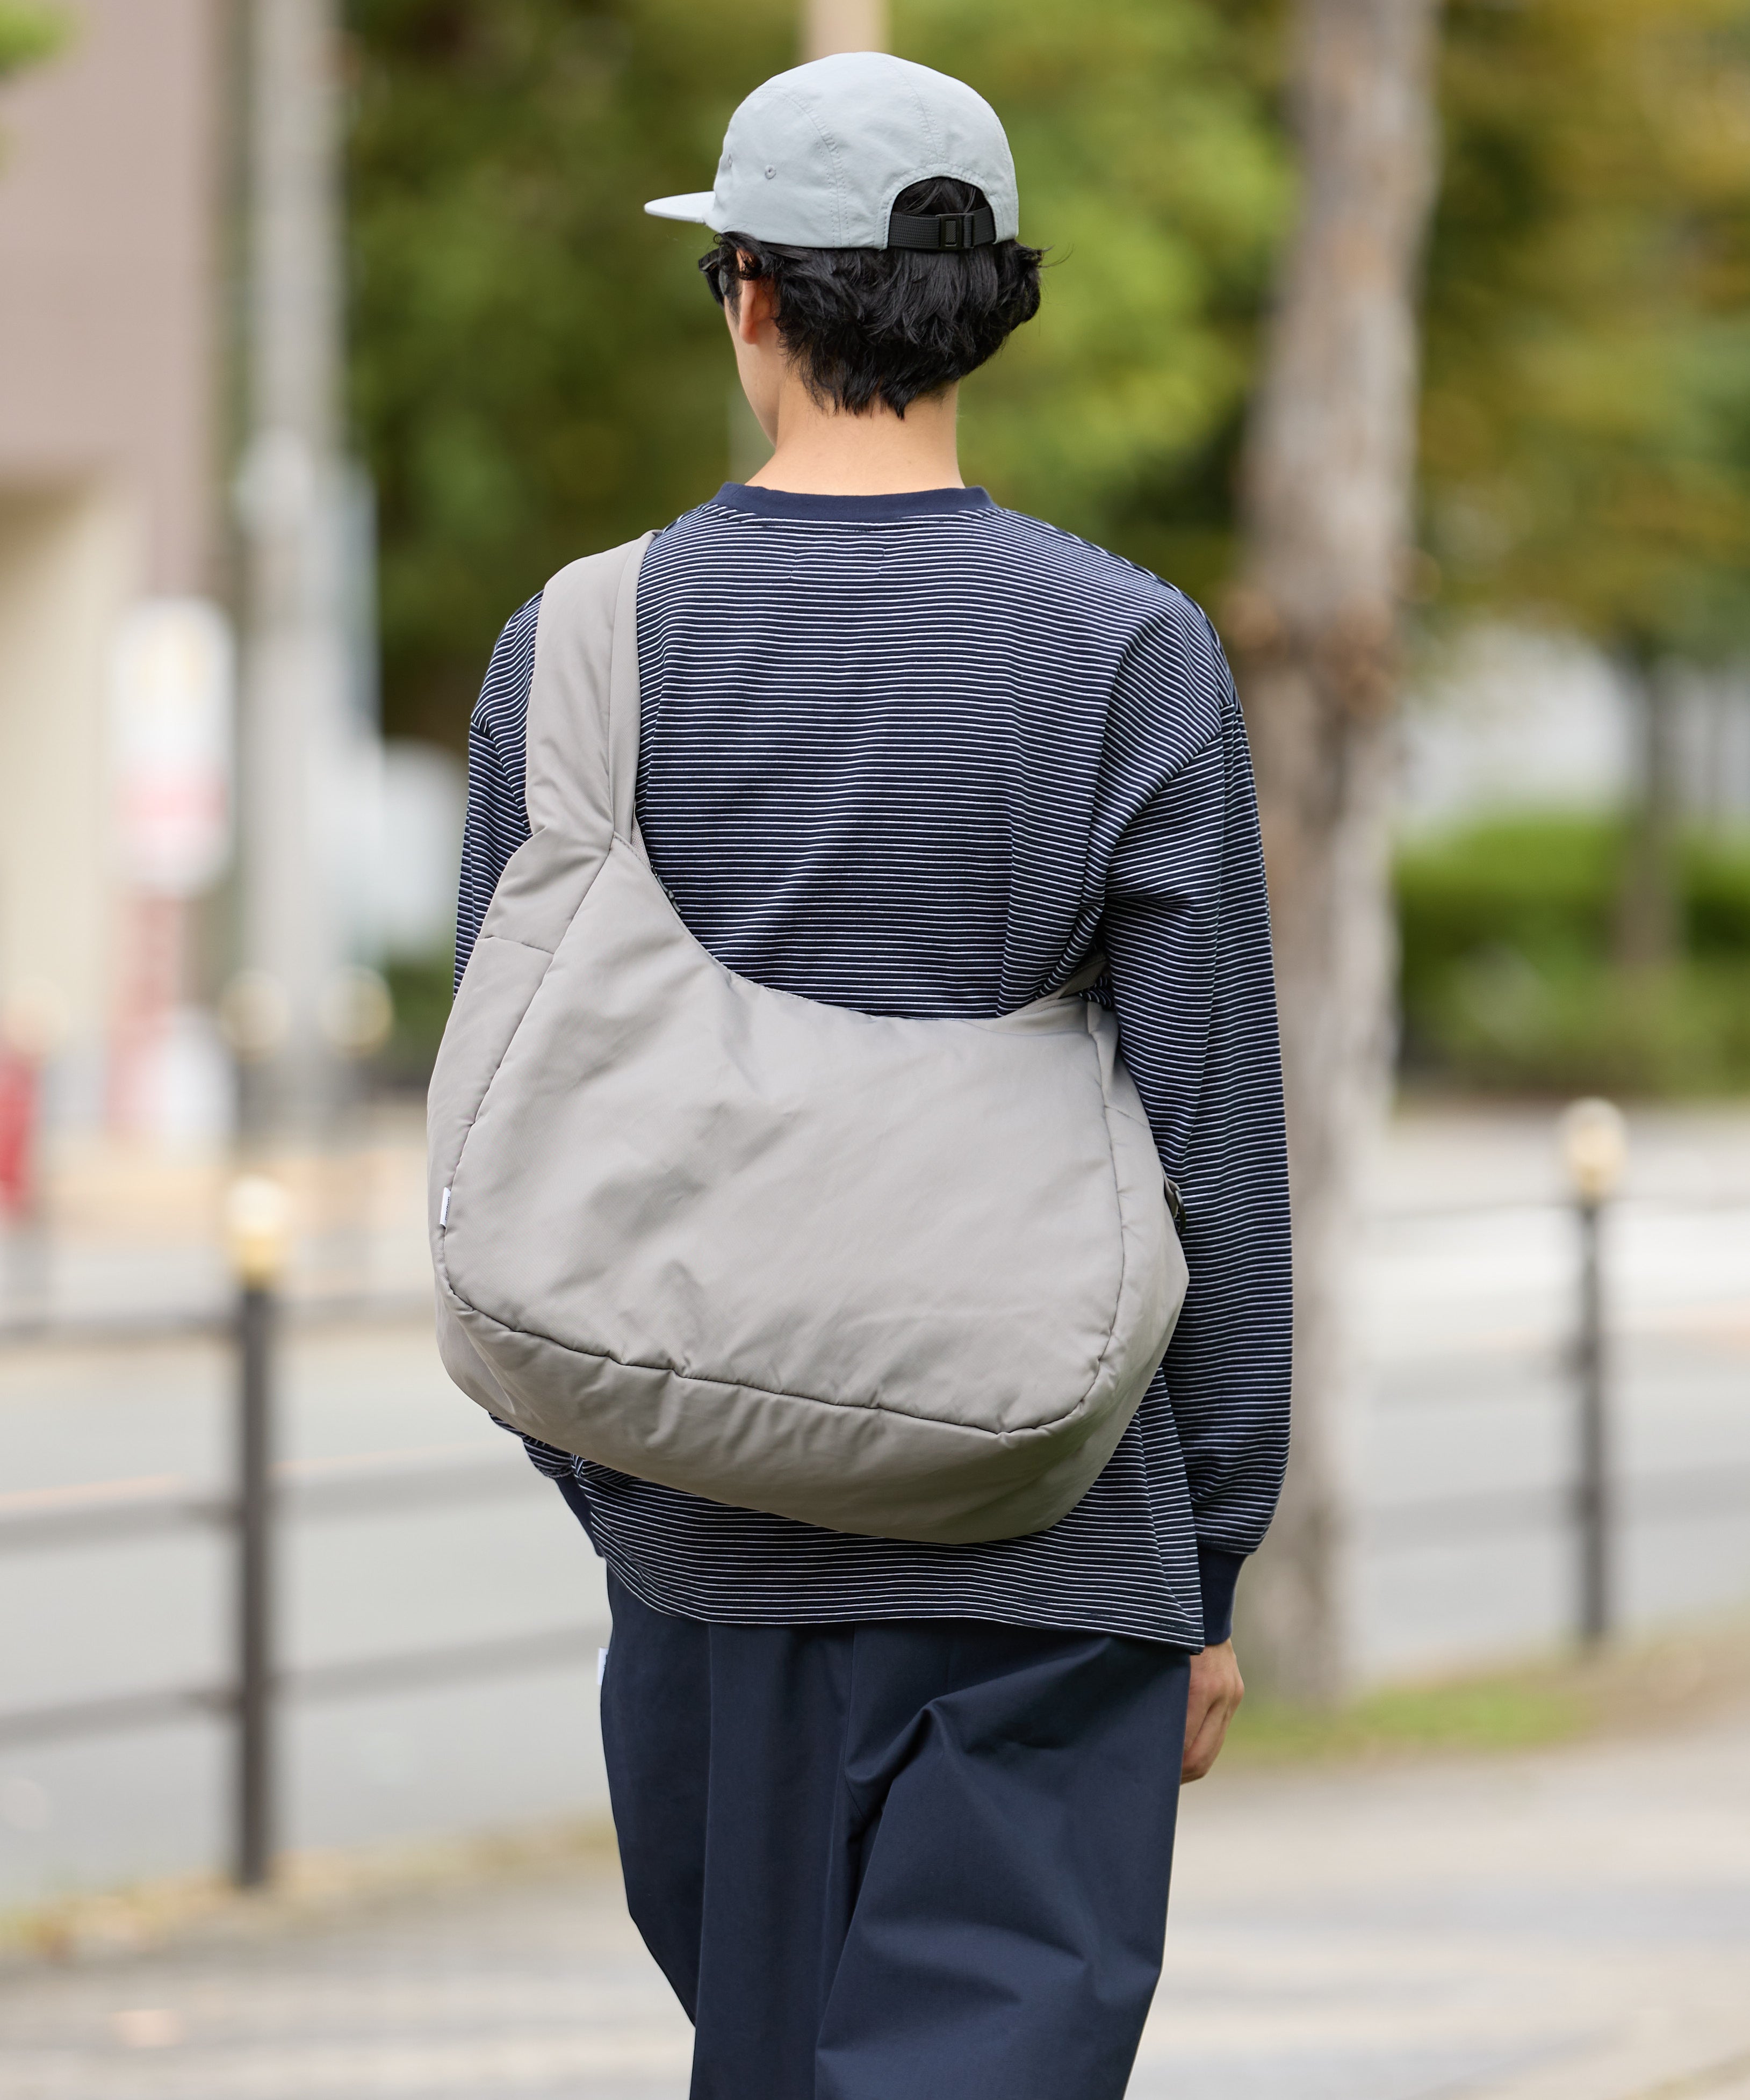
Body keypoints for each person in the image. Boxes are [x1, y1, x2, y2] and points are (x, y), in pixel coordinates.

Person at [452, 51, 1290, 2100]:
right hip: (1053, 1542)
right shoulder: (1123, 648)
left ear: (742, 288)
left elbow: (502, 1121)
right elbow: (1217, 1142)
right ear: (989, 303)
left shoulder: (581, 643)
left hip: (706, 1573)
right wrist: (1209, 1560)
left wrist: (637, 1487)